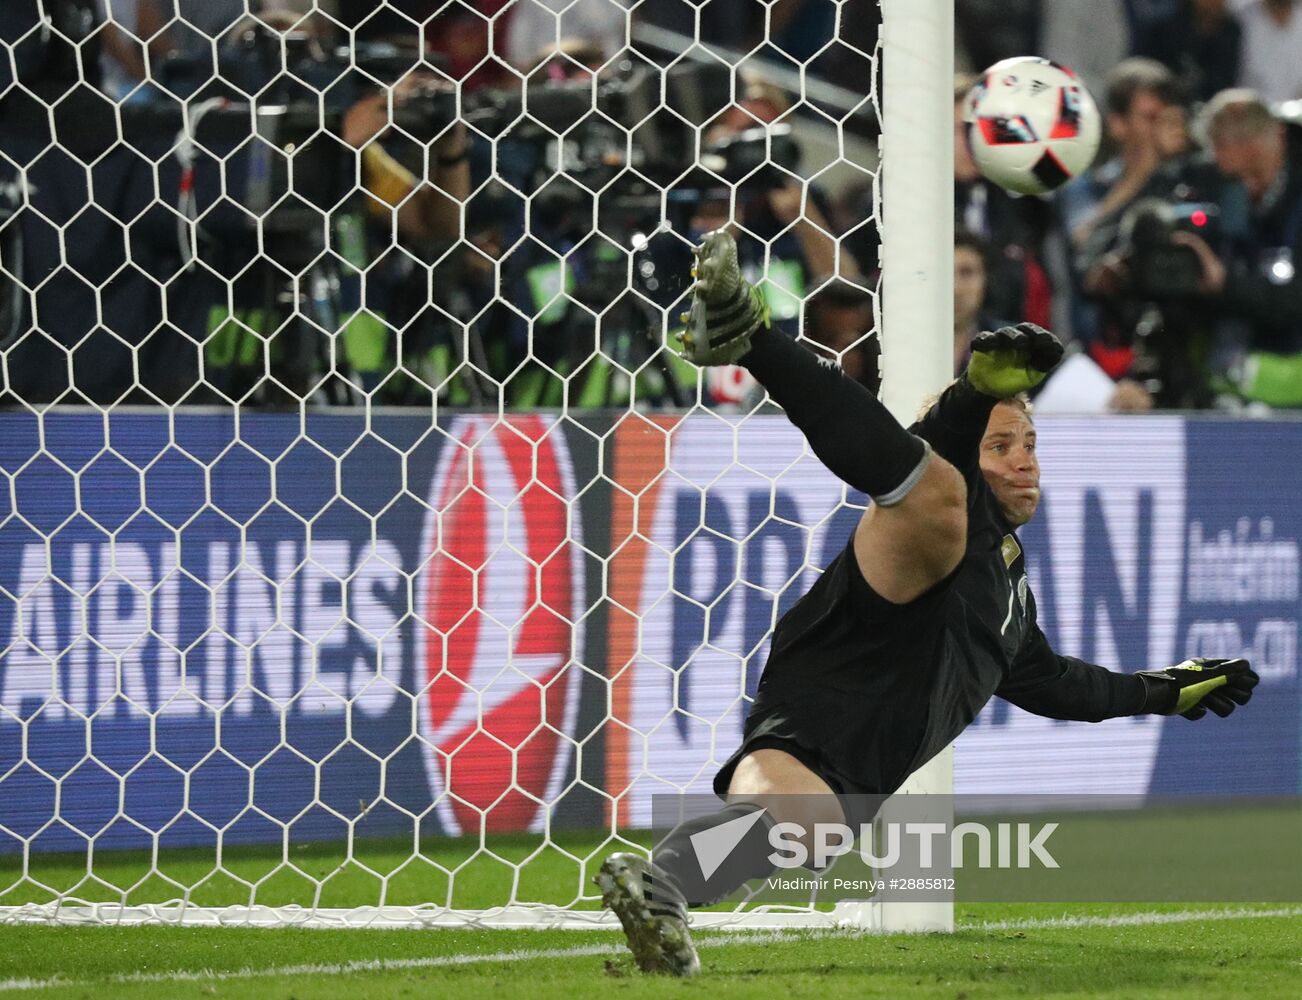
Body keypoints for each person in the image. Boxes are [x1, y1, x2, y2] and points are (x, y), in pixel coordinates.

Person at [595, 230, 1261, 976]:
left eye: (1030, 444)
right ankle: (752, 337)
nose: (1023, 461)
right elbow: (924, 458)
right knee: (932, 490)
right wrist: (970, 398)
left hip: (854, 763)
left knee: (795, 832)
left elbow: (1056, 684)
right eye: (1001, 444)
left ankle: (661, 890)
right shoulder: (952, 502)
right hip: (825, 680)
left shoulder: (1008, 590)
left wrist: (1164, 692)